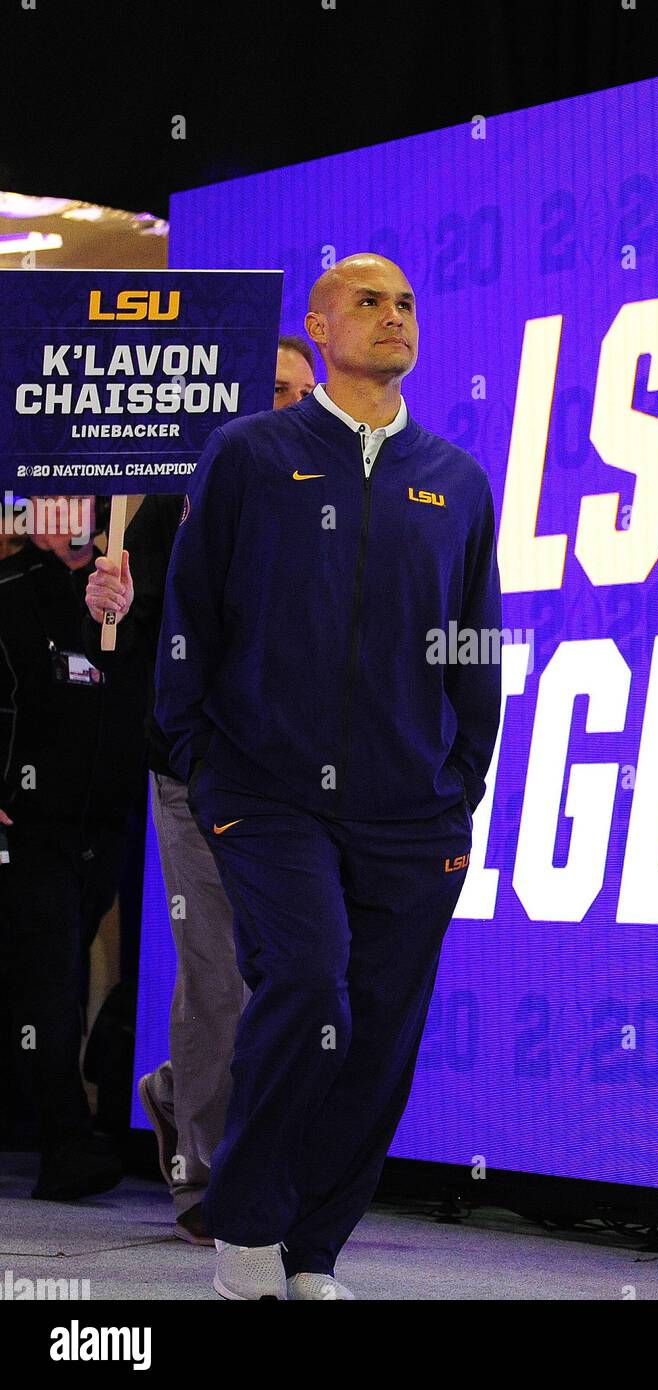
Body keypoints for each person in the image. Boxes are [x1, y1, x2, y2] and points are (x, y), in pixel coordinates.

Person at [155, 253, 502, 1300]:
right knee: (309, 985)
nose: (392, 315)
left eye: (405, 303)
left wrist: (462, 785)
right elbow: (194, 616)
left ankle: (312, 1252)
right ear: (317, 326)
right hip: (267, 793)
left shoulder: (455, 478)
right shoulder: (251, 453)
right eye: (368, 300)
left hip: (414, 810)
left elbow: (474, 645)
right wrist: (200, 756)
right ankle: (246, 1225)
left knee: (381, 1040)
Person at [84, 339, 316, 1244]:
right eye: (273, 389)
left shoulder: (332, 500)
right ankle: (205, 1186)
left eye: (305, 391)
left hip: (302, 783)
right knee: (218, 977)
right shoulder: (176, 500)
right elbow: (128, 625)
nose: (292, 404)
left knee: (295, 980)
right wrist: (114, 602)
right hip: (196, 777)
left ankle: (180, 1091)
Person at [0, 497, 146, 1199]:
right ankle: (63, 1137)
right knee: (52, 975)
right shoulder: (13, 592)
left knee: (63, 971)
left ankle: (56, 1121)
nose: (67, 519)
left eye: (78, 504)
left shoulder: (128, 592)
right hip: (29, 822)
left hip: (106, 817)